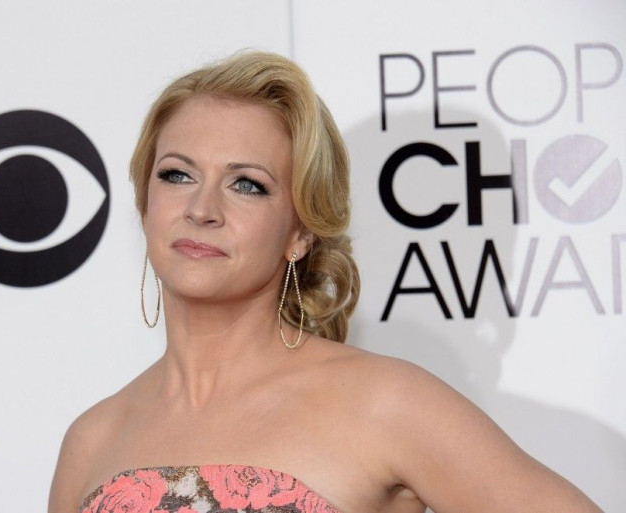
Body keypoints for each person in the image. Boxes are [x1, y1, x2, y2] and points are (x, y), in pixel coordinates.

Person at [48, 51, 601, 513]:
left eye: (247, 185)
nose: (202, 208)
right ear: (146, 206)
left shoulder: (386, 402)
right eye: (177, 175)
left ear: (300, 233)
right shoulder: (92, 440)